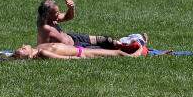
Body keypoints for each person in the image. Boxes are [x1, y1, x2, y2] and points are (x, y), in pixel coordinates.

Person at [36, 0, 144, 51]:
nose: (58, 14)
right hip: (74, 48)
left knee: (106, 40)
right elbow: (42, 47)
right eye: (56, 13)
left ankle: (126, 44)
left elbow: (68, 17)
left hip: (74, 37)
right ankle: (134, 49)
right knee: (104, 50)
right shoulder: (44, 27)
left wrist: (71, 8)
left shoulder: (52, 19)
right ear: (47, 15)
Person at [11, 42, 146, 60]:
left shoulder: (39, 48)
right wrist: (76, 59)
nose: (24, 45)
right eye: (23, 49)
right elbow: (61, 58)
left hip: (79, 48)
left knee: (113, 48)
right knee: (116, 53)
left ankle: (134, 49)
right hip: (81, 53)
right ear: (27, 55)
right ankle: (135, 56)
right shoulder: (41, 53)